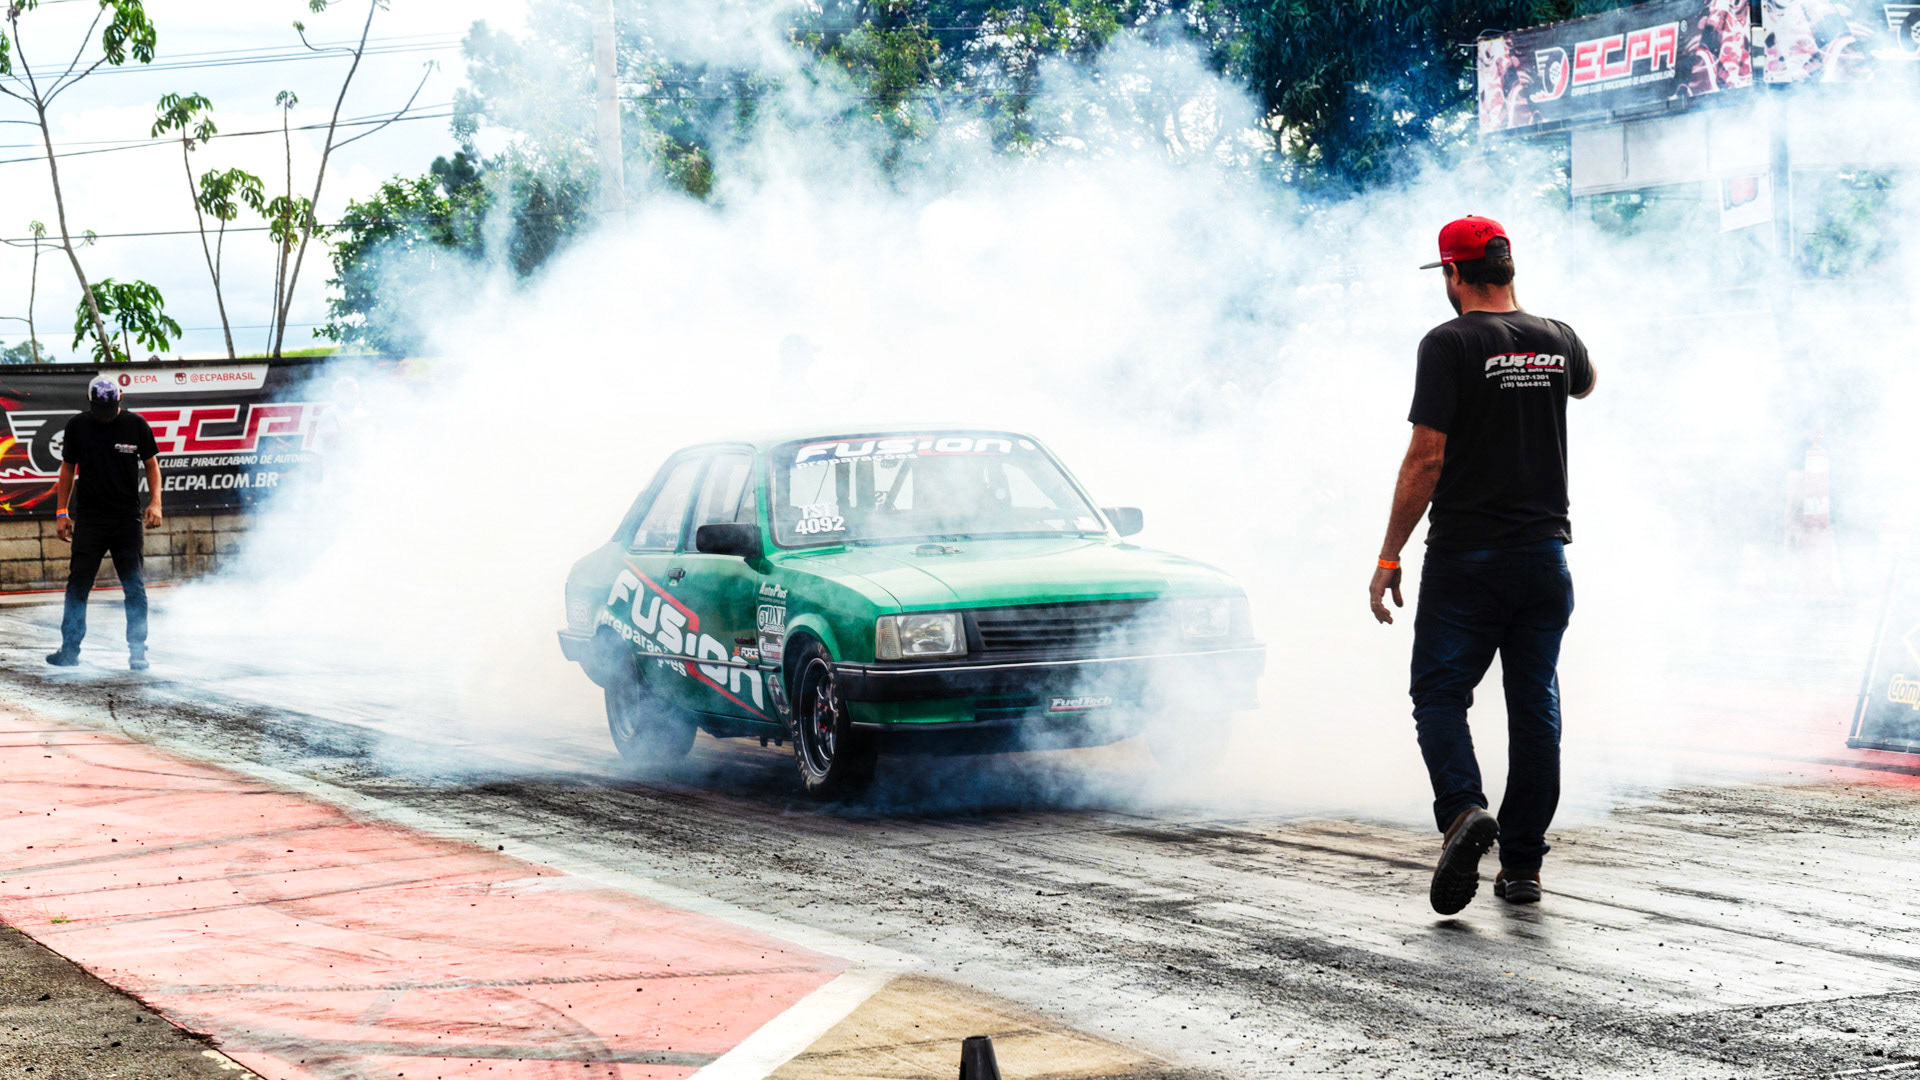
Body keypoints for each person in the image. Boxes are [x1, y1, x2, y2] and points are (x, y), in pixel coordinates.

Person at [1369, 216, 1597, 915]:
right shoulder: (1558, 337)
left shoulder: (1447, 343)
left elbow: (1426, 458)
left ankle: (1464, 812)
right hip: (1545, 558)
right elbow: (1585, 385)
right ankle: (1523, 867)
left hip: (1467, 558)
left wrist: (1389, 553)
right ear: (1508, 268)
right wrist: (1535, 364)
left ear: (1453, 273)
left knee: (1439, 694)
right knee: (1535, 709)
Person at [46, 376, 162, 671]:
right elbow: (67, 468)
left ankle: (138, 652)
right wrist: (61, 511)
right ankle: (69, 651)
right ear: (90, 402)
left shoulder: (136, 425)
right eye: (100, 410)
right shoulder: (77, 426)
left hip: (126, 519)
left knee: (134, 586)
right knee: (78, 585)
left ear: (119, 400)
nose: (105, 416)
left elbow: (152, 465)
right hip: (90, 520)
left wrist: (156, 503)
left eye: (109, 410)